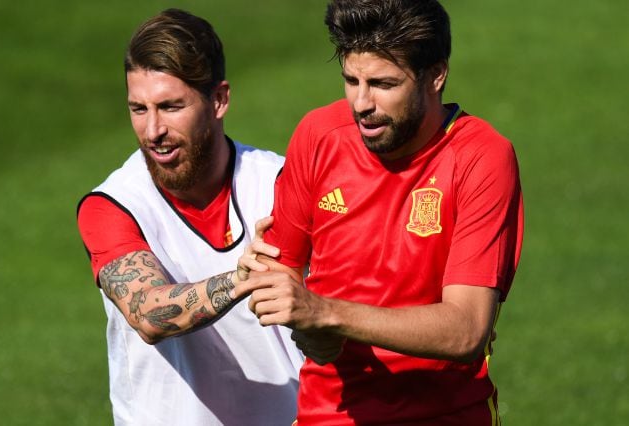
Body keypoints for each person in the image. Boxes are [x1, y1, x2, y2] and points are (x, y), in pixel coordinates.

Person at [235, 0, 525, 424]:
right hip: (331, 413)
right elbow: (278, 276)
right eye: (351, 80)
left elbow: (466, 329)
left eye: (384, 84)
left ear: (435, 76)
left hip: (445, 414)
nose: (361, 103)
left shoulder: (481, 157)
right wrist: (305, 324)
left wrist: (325, 313)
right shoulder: (318, 135)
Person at [76, 9, 302, 426]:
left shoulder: (282, 184)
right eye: (138, 109)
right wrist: (242, 278)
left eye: (170, 106)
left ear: (219, 100)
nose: (152, 130)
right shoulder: (113, 205)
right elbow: (147, 312)